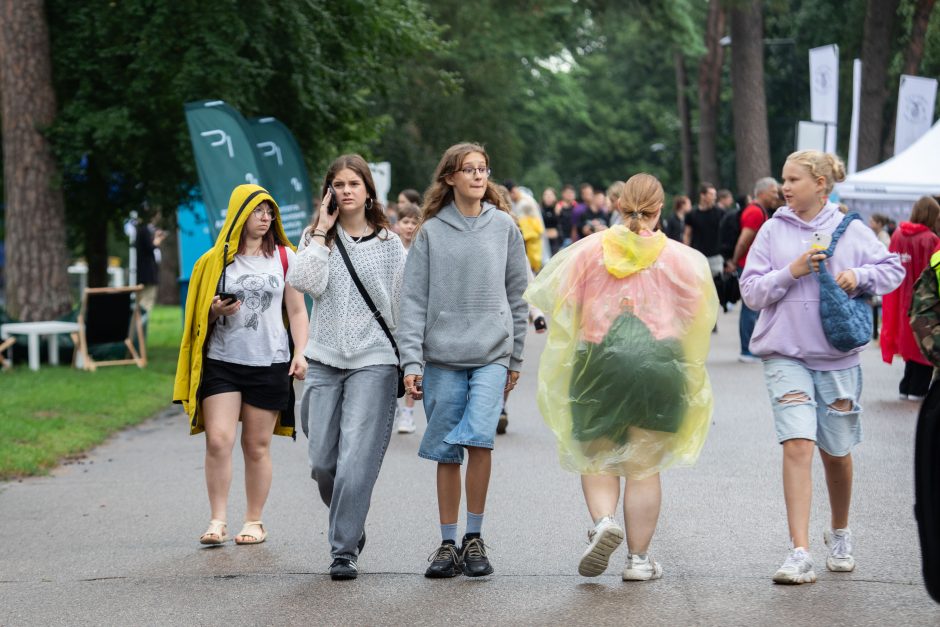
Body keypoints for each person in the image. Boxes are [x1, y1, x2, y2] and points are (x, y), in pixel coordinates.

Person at [525, 173, 718, 581]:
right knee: (644, 466)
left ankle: (604, 521)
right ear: (660, 209)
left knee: (597, 455)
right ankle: (639, 561)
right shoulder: (683, 259)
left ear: (618, 204)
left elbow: (565, 305)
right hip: (659, 362)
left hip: (599, 359)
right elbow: (695, 317)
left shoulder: (588, 252)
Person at [740, 150, 903, 585]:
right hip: (784, 355)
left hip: (837, 358)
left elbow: (893, 268)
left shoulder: (850, 228)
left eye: (794, 179)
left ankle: (840, 532)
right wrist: (789, 272)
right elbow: (751, 292)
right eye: (783, 179)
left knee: (836, 453)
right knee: (797, 444)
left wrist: (859, 276)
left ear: (821, 185)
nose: (785, 187)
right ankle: (799, 551)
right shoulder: (772, 229)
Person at [398, 142, 528, 579]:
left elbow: (518, 296)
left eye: (483, 169)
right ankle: (447, 542)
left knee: (480, 439)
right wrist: (411, 362)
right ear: (449, 178)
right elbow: (413, 301)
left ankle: (475, 537)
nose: (478, 176)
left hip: (492, 354)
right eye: (468, 169)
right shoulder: (431, 232)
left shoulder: (504, 227)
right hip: (443, 358)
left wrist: (517, 356)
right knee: (447, 450)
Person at [286, 154, 406, 580]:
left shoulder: (391, 245)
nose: (346, 190)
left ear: (368, 190)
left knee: (356, 459)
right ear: (328, 192)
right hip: (324, 359)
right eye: (338, 184)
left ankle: (343, 549)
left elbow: (402, 306)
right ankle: (351, 522)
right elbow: (303, 282)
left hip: (374, 360)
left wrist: (412, 364)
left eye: (354, 183)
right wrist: (320, 230)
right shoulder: (317, 238)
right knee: (322, 461)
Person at [173, 184, 309, 548]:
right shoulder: (214, 262)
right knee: (218, 440)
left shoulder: (285, 257)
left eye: (270, 212)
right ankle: (217, 519)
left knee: (256, 445)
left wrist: (301, 352)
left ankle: (254, 520)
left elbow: (297, 310)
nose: (265, 218)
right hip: (222, 362)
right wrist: (214, 311)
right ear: (239, 214)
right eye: (258, 211)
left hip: (269, 361)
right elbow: (196, 318)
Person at [881, 196, 940, 401]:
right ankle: (917, 390)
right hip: (922, 299)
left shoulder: (897, 234)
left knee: (908, 346)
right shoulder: (930, 239)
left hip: (899, 298)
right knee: (923, 343)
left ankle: (905, 387)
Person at [725, 177, 780, 363]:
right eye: (773, 192)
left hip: (748, 263)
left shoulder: (760, 210)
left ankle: (749, 349)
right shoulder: (755, 212)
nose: (776, 195)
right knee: (750, 308)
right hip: (746, 264)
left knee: (752, 309)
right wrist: (734, 261)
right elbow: (743, 240)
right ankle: (747, 350)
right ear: (762, 192)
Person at [395, 202, 422, 434]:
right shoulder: (392, 250)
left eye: (414, 222)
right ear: (397, 224)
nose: (410, 227)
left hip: (411, 318)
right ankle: (392, 407)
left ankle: (408, 413)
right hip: (392, 317)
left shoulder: (421, 250)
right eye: (405, 222)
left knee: (411, 364)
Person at [507, 181, 546, 272]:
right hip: (525, 236)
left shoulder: (526, 201)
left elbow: (535, 220)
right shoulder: (517, 202)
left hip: (532, 235)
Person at [541, 187, 562, 256]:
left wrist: (558, 214)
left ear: (555, 197)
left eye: (551, 195)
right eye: (546, 195)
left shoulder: (559, 209)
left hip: (556, 242)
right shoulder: (540, 210)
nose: (548, 197)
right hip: (543, 241)